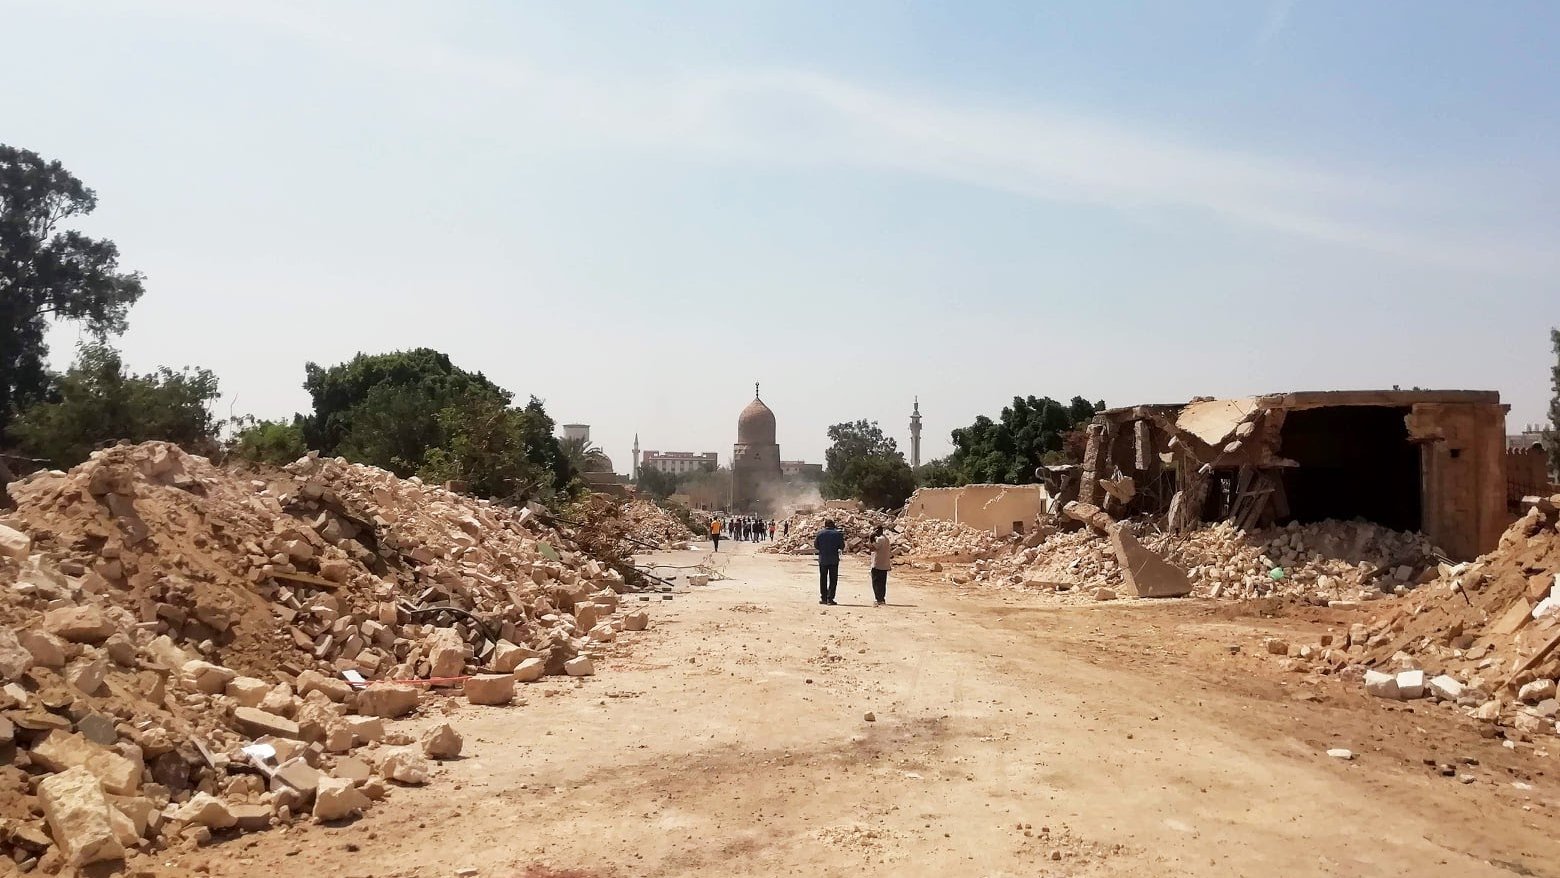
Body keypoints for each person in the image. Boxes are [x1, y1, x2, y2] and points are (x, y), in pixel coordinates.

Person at [814, 518, 845, 606]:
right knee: (833, 579)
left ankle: (823, 598)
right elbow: (842, 546)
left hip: (823, 559)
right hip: (833, 560)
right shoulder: (838, 534)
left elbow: (816, 545)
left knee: (823, 578)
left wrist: (823, 549)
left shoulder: (820, 533)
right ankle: (830, 599)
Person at [870, 525, 892, 606]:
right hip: (885, 564)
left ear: (878, 530)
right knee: (882, 583)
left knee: (876, 582)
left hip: (878, 564)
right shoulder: (886, 539)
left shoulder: (880, 539)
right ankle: (882, 598)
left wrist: (871, 538)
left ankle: (878, 599)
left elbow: (872, 548)